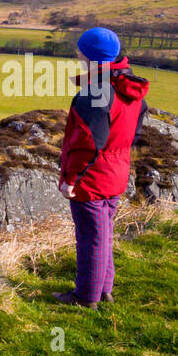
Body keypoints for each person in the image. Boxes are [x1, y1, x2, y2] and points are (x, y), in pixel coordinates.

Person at [55, 27, 149, 307]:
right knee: (102, 234)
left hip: (93, 178)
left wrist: (71, 179)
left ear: (91, 57)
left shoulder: (95, 94)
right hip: (116, 171)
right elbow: (135, 130)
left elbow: (86, 144)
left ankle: (85, 297)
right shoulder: (128, 86)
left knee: (89, 239)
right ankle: (103, 289)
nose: (77, 54)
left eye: (80, 51)